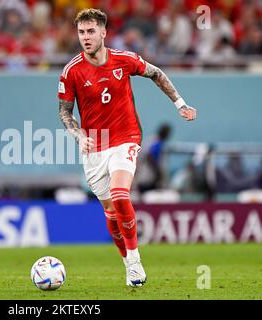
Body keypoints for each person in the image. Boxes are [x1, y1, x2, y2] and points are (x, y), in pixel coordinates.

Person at [57, 8, 197, 287]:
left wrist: (180, 103)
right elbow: (64, 112)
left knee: (121, 195)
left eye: (91, 32)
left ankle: (135, 262)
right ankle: (127, 262)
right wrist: (77, 135)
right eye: (81, 32)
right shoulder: (71, 71)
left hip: (126, 138)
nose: (85, 37)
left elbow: (156, 73)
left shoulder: (124, 60)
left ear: (103, 33)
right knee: (110, 212)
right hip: (94, 148)